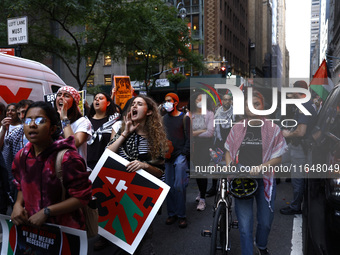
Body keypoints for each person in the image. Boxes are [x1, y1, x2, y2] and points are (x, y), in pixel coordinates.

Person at [10, 101, 92, 230]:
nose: (32, 125)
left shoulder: (67, 158)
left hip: (64, 233)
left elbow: (82, 197)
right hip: (31, 230)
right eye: (27, 121)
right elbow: (21, 184)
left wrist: (46, 212)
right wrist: (17, 205)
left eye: (40, 121)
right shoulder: (21, 156)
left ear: (52, 128)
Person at [225, 89, 287, 255]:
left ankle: (261, 245)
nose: (251, 107)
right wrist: (230, 165)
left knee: (265, 222)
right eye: (247, 104)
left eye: (256, 104)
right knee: (245, 226)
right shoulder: (237, 128)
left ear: (263, 106)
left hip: (264, 180)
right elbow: (227, 149)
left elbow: (279, 157)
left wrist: (261, 167)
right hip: (241, 179)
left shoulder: (273, 129)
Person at [107, 95, 168, 254]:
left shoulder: (156, 139)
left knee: (143, 235)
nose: (134, 106)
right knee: (120, 234)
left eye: (139, 104)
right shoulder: (122, 129)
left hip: (143, 194)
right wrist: (125, 133)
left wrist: (144, 165)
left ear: (148, 112)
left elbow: (160, 171)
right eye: (133, 104)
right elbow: (107, 155)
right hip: (120, 191)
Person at [280, 80, 317, 215]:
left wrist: (287, 133)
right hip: (295, 146)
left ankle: (296, 206)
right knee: (275, 160)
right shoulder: (308, 103)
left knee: (297, 179)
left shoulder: (304, 105)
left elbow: (301, 132)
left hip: (300, 148)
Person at [162, 93, 191, 228]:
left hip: (180, 155)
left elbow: (189, 137)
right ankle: (171, 213)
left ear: (176, 102)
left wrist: (184, 152)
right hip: (167, 157)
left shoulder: (184, 118)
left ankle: (181, 215)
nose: (166, 103)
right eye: (165, 101)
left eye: (169, 101)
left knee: (179, 186)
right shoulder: (163, 119)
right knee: (168, 186)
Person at [1, 99, 33, 203]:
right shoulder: (19, 132)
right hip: (20, 180)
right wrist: (4, 129)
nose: (21, 116)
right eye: (19, 113)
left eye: (24, 112)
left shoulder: (42, 131)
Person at [207, 93, 235, 197]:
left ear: (231, 101)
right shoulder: (217, 113)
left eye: (229, 100)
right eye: (225, 99)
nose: (227, 102)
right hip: (219, 141)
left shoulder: (235, 113)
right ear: (222, 101)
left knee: (230, 165)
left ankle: (230, 187)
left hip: (231, 143)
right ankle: (214, 187)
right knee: (216, 165)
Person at [55, 86, 92, 161]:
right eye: (59, 95)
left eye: (66, 96)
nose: (61, 97)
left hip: (74, 168)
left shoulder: (83, 122)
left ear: (74, 102)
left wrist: (64, 119)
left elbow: (73, 144)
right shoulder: (52, 120)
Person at [191, 93, 214, 211]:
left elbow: (210, 133)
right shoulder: (191, 114)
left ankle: (202, 199)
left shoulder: (210, 114)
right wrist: (202, 130)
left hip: (205, 146)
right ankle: (201, 192)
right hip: (194, 147)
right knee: (197, 170)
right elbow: (187, 131)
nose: (200, 101)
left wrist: (194, 133)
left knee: (202, 171)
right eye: (198, 98)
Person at [86, 92, 120, 170]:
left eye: (101, 98)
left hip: (106, 164)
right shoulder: (86, 121)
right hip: (87, 165)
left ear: (108, 103)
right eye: (95, 99)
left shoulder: (114, 121)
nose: (97, 100)